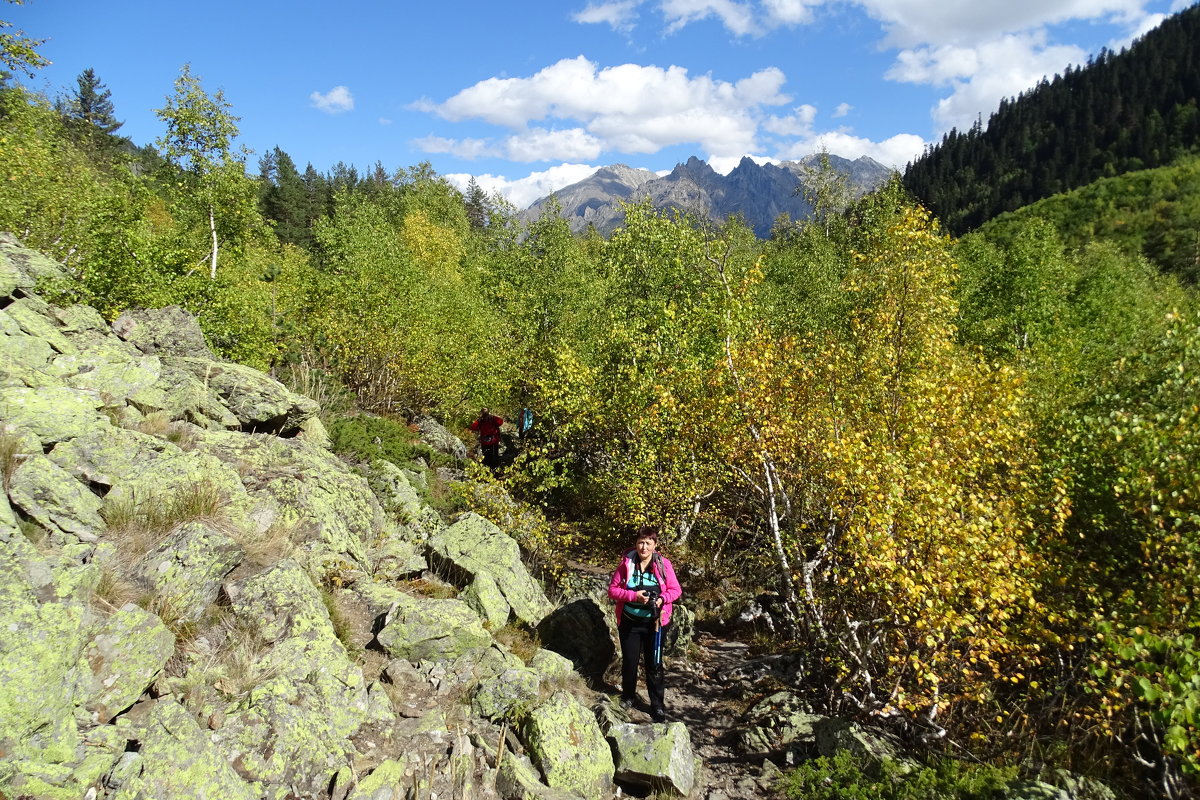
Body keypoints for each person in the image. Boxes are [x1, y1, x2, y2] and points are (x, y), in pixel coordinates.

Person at [608, 525, 682, 723]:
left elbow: (676, 590)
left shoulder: (663, 565)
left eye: (648, 543)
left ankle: (657, 706)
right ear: (636, 543)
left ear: (655, 545)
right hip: (630, 623)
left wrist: (662, 599)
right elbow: (613, 590)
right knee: (630, 663)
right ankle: (628, 697)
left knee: (654, 664)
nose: (644, 547)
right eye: (641, 542)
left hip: (656, 625)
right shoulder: (627, 564)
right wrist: (633, 596)